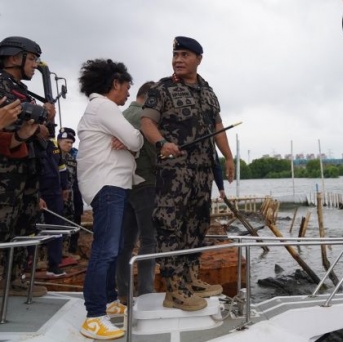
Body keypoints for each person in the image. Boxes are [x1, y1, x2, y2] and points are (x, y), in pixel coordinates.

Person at [141, 36, 235, 311]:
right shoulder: (163, 88)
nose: (178, 60)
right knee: (171, 227)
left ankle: (190, 278)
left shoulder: (208, 91)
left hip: (202, 173)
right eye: (175, 55)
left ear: (198, 59)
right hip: (175, 173)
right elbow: (147, 121)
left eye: (184, 55)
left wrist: (228, 157)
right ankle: (174, 290)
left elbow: (217, 126)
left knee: (197, 225)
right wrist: (161, 143)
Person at [76, 58, 143, 340]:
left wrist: (128, 141)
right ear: (114, 83)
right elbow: (137, 140)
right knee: (105, 250)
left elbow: (130, 143)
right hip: (108, 186)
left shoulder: (99, 109)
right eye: (127, 86)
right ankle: (93, 316)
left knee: (111, 249)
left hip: (109, 185)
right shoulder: (104, 106)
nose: (128, 93)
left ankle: (110, 301)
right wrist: (130, 139)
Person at [0, 36, 55, 297]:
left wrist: (40, 123)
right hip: (6, 174)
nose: (34, 65)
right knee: (3, 225)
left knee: (24, 225)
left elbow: (35, 126)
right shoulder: (2, 86)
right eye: (31, 59)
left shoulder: (19, 89)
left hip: (25, 171)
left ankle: (15, 278)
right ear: (13, 58)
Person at [115, 81, 157, 304]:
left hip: (123, 183)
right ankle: (146, 292)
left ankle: (122, 292)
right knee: (150, 240)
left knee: (126, 243)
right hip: (146, 182)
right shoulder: (145, 118)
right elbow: (153, 153)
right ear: (150, 97)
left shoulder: (120, 116)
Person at [35, 122, 70, 277]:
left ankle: (54, 265)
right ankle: (27, 264)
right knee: (32, 230)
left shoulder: (54, 147)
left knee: (56, 229)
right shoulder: (32, 145)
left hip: (55, 194)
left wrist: (65, 187)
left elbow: (61, 168)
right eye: (44, 126)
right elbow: (30, 172)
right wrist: (37, 196)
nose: (48, 129)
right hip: (38, 194)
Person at [57, 127, 83, 256]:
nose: (69, 145)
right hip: (55, 197)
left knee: (69, 222)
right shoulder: (52, 157)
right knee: (55, 225)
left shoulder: (72, 159)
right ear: (59, 141)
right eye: (66, 142)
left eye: (71, 143)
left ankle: (66, 252)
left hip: (71, 198)